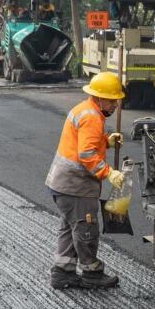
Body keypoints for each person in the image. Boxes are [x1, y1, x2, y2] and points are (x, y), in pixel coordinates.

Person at [45, 71, 126, 290]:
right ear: (99, 98)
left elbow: (84, 143)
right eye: (111, 100)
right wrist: (108, 173)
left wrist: (106, 142)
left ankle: (63, 273)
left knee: (69, 228)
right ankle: (92, 274)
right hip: (76, 187)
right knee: (86, 229)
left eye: (116, 100)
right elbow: (87, 154)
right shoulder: (92, 117)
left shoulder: (85, 109)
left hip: (62, 184)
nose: (115, 105)